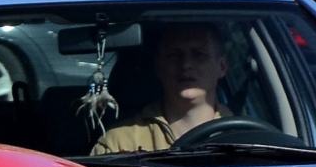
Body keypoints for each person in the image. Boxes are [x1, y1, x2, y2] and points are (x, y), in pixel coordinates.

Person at [93, 23, 229, 153]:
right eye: (174, 55)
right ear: (158, 67)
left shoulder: (245, 136)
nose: (186, 64)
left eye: (199, 55)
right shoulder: (118, 143)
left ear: (222, 67)